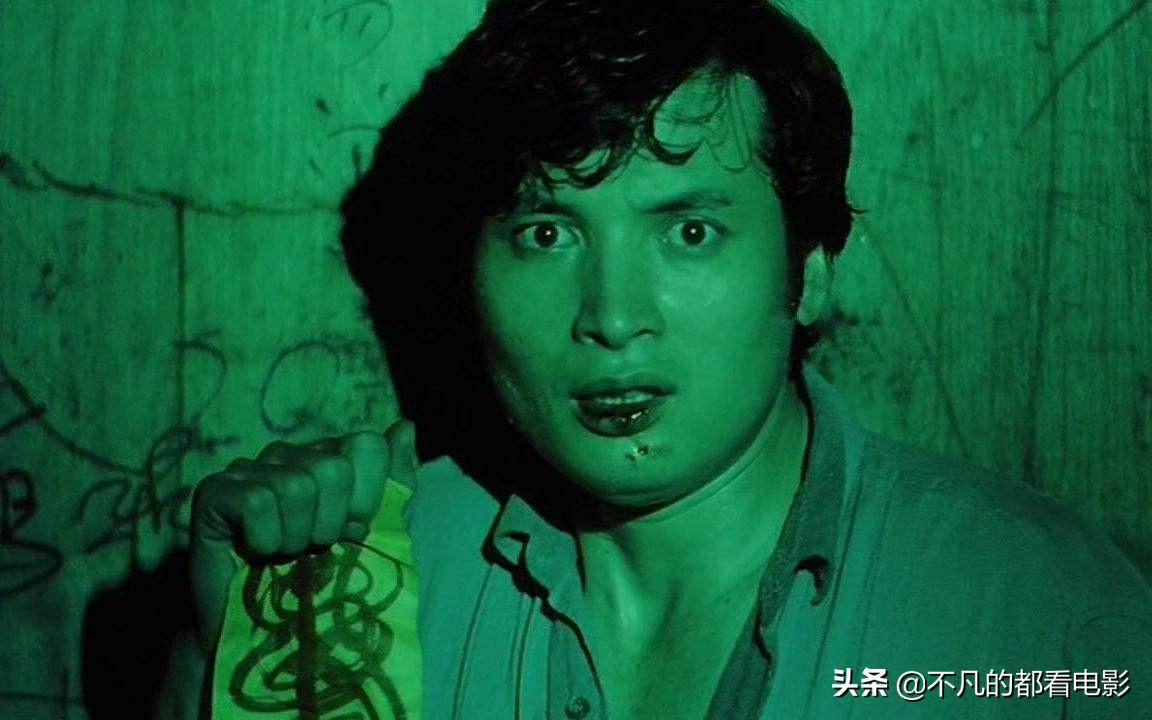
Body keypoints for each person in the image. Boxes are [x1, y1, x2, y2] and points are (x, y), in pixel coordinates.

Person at [166, 0, 1152, 718]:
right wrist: (226, 661)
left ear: (808, 271)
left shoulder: (1037, 611)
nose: (611, 317)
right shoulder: (369, 576)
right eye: (547, 234)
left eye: (689, 232)